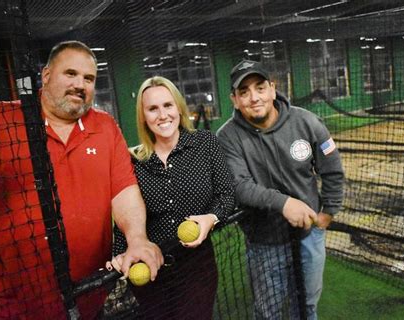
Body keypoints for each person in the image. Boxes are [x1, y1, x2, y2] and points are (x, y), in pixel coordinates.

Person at [0, 41, 163, 319]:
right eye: (70, 73)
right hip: (7, 302)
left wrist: (137, 239)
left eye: (89, 78)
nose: (80, 84)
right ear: (45, 76)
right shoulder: (0, 120)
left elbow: (123, 190)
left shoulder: (104, 127)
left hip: (84, 296)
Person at [217, 60, 344, 320]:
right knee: (268, 313)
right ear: (234, 99)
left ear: (273, 89)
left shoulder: (306, 121)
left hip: (309, 235)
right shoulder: (227, 137)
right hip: (265, 242)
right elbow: (239, 186)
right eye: (244, 92)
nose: (254, 98)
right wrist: (285, 203)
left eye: (260, 88)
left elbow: (331, 169)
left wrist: (328, 213)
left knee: (307, 305)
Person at [110, 76, 234, 319]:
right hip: (150, 270)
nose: (162, 115)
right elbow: (124, 219)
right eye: (153, 109)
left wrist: (211, 218)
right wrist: (118, 253)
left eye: (168, 105)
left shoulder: (205, 143)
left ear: (178, 107)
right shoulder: (134, 161)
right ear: (143, 116)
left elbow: (227, 196)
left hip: (197, 268)